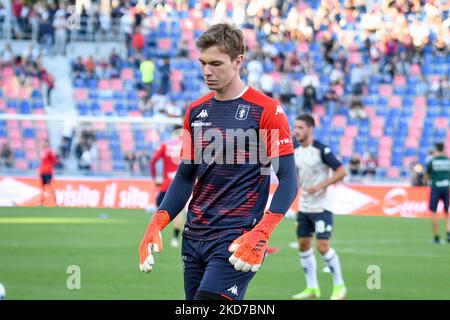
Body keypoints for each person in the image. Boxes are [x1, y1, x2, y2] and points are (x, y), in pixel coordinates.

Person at [138, 23, 298, 300]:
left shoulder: (266, 111)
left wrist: (262, 233)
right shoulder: (195, 110)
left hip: (237, 239)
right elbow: (185, 176)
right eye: (202, 63)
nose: (206, 72)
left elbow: (288, 179)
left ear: (238, 61)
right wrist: (157, 222)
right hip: (194, 237)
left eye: (215, 63)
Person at [292, 114, 348, 300]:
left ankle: (339, 286)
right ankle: (312, 288)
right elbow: (298, 175)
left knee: (323, 247)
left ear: (310, 129)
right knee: (303, 245)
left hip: (322, 207)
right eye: (295, 127)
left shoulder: (322, 150)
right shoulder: (296, 151)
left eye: (300, 127)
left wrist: (321, 185)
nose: (296, 131)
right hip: (304, 206)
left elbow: (342, 171)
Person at [149, 125, 185, 248]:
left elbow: (153, 160)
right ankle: (175, 239)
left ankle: (152, 239)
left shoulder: (165, 145)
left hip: (166, 184)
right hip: (181, 184)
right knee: (179, 213)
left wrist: (154, 177)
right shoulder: (187, 145)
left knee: (158, 213)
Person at [425, 142, 450, 244]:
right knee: (447, 212)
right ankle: (449, 234)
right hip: (446, 188)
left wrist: (426, 179)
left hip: (435, 188)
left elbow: (427, 175)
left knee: (434, 213)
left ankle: (436, 237)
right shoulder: (448, 161)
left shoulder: (432, 161)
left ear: (436, 150)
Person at [39, 140, 58, 206]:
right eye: (43, 142)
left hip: (48, 172)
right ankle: (41, 203)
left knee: (50, 187)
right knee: (42, 187)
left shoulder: (49, 151)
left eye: (45, 142)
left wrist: (50, 167)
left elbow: (54, 160)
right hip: (42, 171)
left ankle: (55, 202)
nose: (43, 143)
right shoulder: (42, 151)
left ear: (47, 143)